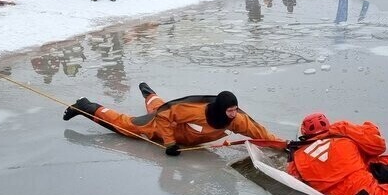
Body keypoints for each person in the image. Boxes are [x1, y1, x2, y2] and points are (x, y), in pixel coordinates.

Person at [63, 83, 284, 155]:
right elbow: (167, 115)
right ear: (219, 109)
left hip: (178, 126)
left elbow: (259, 132)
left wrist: (283, 145)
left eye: (236, 110)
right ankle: (86, 106)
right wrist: (168, 143)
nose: (234, 115)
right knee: (127, 126)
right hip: (164, 128)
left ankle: (149, 93)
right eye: (230, 111)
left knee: (159, 106)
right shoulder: (194, 110)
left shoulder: (236, 119)